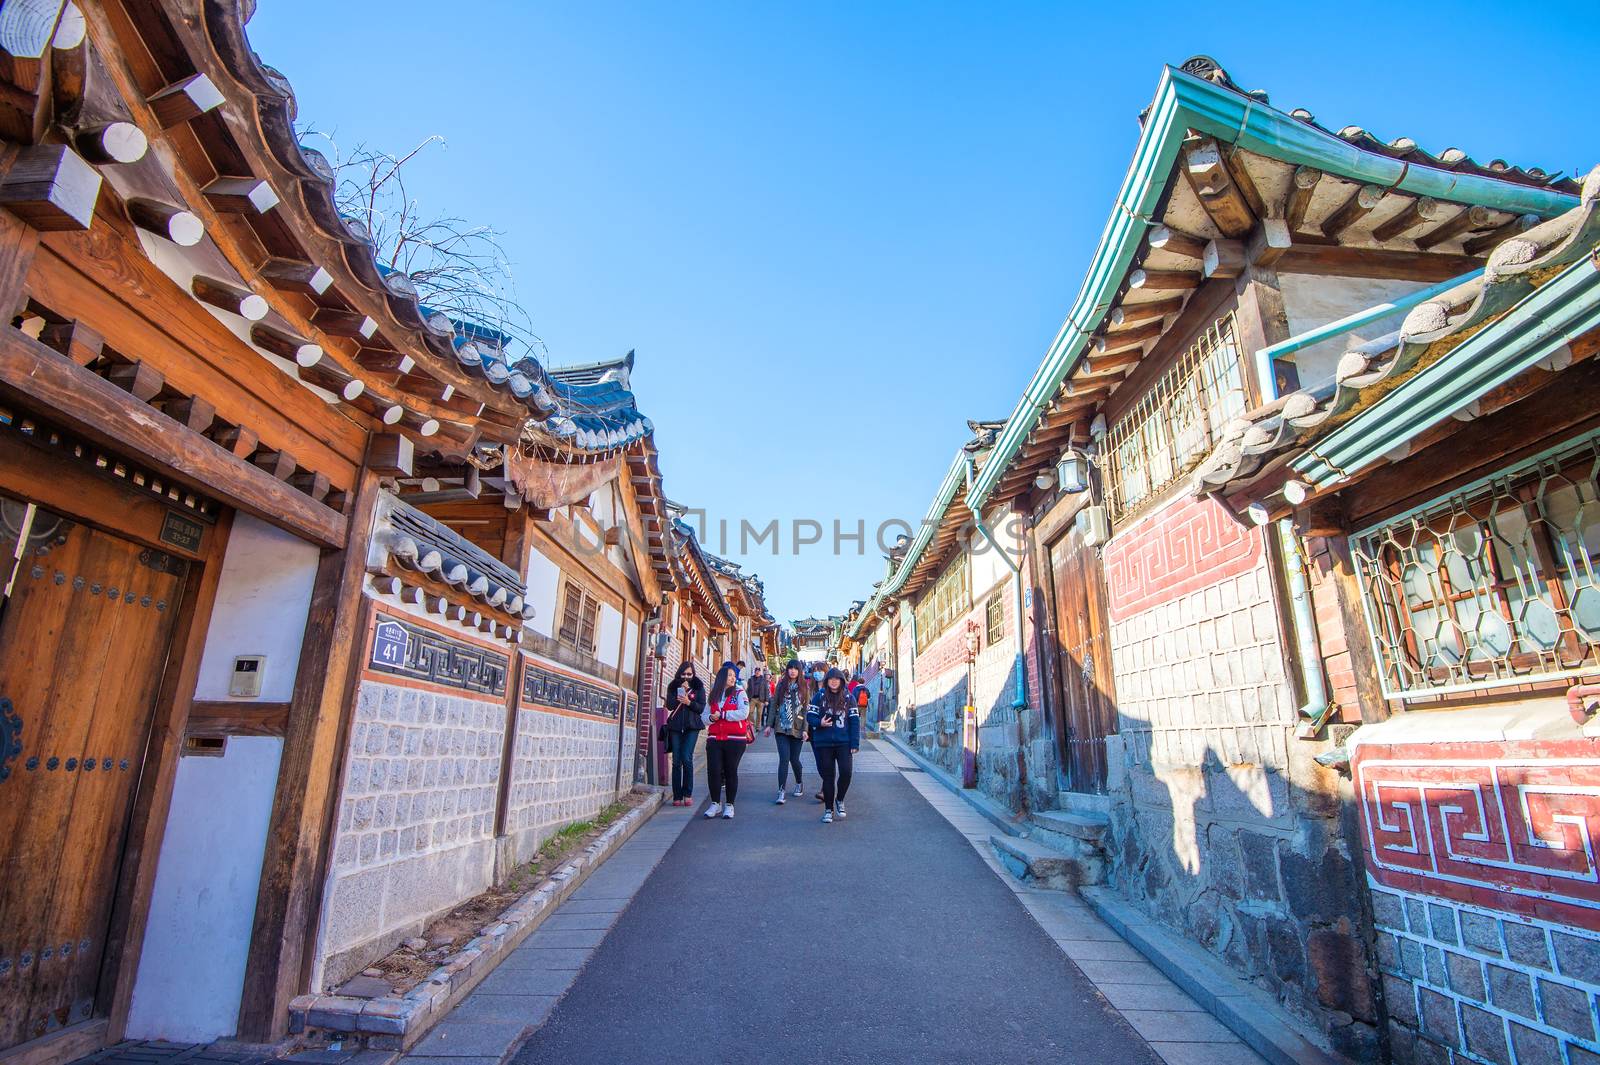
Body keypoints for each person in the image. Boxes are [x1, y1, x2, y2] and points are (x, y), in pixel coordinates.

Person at [807, 668, 860, 824]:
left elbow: (855, 721)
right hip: (824, 743)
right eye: (831, 679)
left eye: (837, 679)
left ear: (842, 681)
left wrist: (854, 743)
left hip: (844, 742)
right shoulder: (819, 696)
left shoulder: (849, 697)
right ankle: (828, 810)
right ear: (827, 680)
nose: (834, 681)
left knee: (846, 772)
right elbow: (810, 716)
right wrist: (819, 723)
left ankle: (840, 799)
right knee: (828, 777)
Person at [703, 661, 750, 819]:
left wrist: (723, 715)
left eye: (733, 675)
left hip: (735, 738)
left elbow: (744, 713)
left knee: (731, 771)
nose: (732, 678)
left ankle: (730, 804)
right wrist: (710, 717)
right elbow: (704, 716)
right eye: (729, 675)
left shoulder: (739, 693)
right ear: (721, 677)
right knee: (714, 771)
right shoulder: (713, 695)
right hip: (715, 738)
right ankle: (715, 803)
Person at [763, 660, 809, 803]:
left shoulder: (804, 687)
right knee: (784, 759)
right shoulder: (781, 685)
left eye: (796, 669)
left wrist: (806, 729)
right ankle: (781, 791)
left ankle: (799, 783)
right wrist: (769, 725)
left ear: (799, 671)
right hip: (781, 727)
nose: (793, 671)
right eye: (790, 668)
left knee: (794, 759)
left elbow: (806, 710)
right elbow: (773, 705)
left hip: (798, 727)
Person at [663, 661, 705, 807]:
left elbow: (700, 708)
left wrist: (688, 702)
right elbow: (670, 706)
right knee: (676, 761)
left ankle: (687, 793)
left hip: (692, 726)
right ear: (679, 674)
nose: (686, 677)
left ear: (693, 674)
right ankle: (677, 795)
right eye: (684, 674)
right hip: (675, 727)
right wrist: (679, 694)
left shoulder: (698, 686)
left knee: (686, 758)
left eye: (689, 674)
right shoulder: (673, 686)